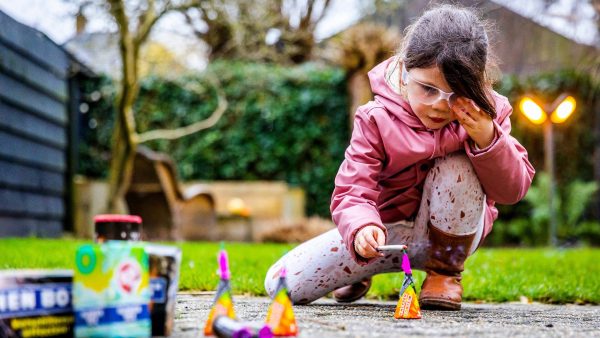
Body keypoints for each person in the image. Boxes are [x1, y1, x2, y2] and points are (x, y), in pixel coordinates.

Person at [264, 4, 535, 310]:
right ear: (405, 71)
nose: (439, 107)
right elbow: (353, 189)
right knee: (282, 283)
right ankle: (360, 268)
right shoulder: (375, 118)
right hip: (385, 237)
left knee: (458, 166)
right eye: (428, 89)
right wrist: (361, 229)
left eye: (455, 94)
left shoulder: (488, 116)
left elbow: (512, 191)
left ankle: (443, 274)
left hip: (449, 241)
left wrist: (488, 138)